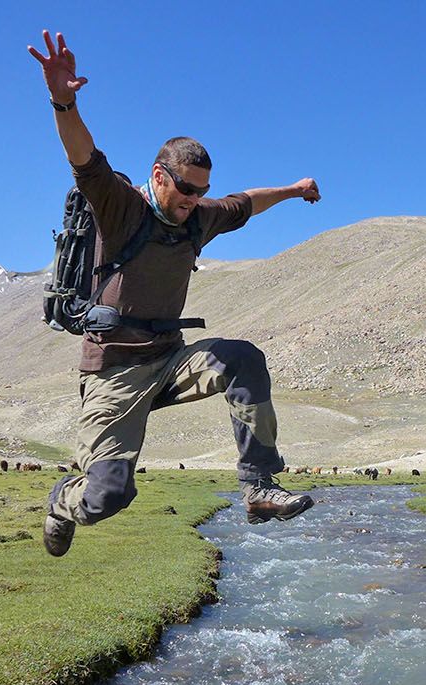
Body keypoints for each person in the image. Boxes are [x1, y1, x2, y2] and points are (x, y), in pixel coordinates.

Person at [29, 30, 321, 557]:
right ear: (159, 176)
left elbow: (245, 203)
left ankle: (258, 487)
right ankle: (61, 501)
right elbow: (85, 158)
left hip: (169, 359)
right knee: (108, 496)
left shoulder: (196, 218)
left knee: (243, 360)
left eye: (201, 191)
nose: (193, 200)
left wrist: (295, 190)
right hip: (114, 372)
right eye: (185, 188)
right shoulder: (121, 209)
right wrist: (64, 100)